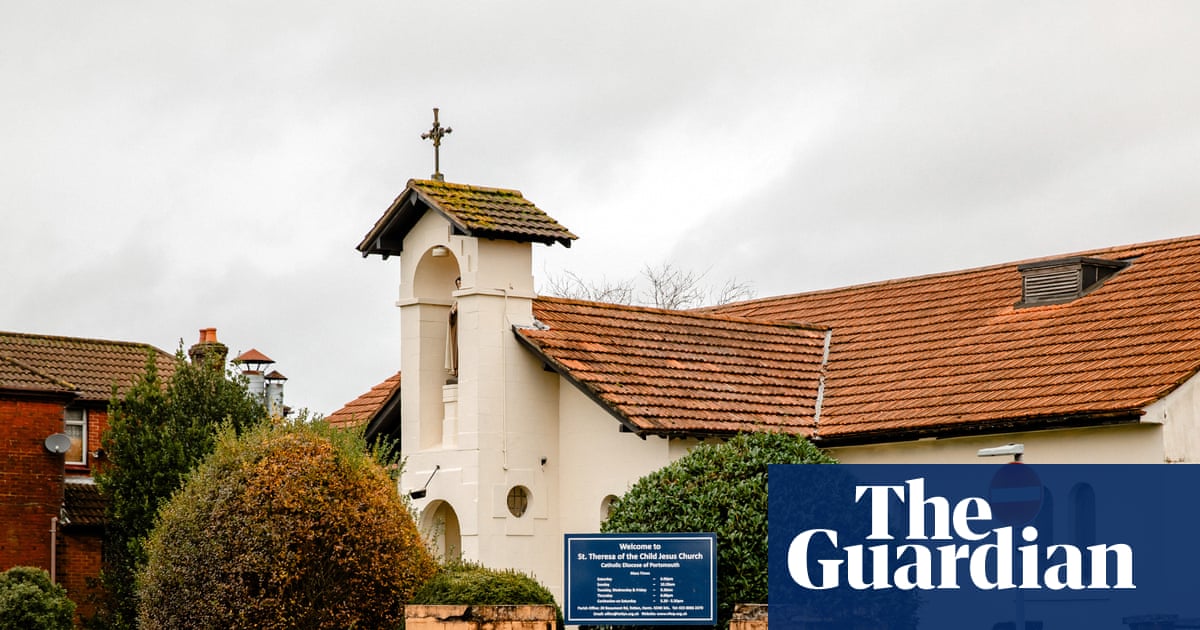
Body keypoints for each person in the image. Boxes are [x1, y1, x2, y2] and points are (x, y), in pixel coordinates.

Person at [445, 276, 461, 382]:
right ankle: (456, 370)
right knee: (455, 349)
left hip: (464, 329)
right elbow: (451, 315)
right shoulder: (456, 300)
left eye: (461, 283)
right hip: (456, 329)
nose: (459, 285)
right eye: (458, 284)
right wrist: (453, 312)